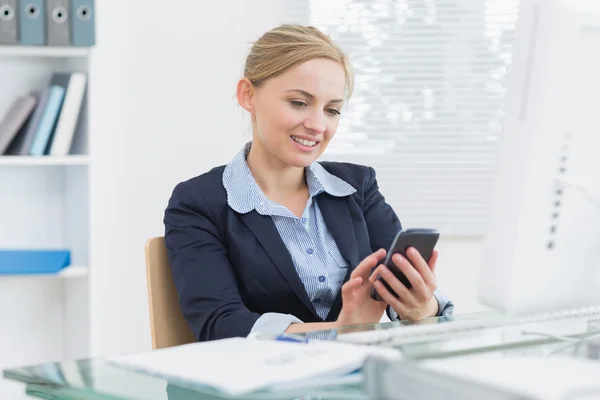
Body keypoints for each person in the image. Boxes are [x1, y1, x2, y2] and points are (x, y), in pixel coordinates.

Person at [163, 24, 454, 342]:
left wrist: (421, 308)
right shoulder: (198, 203)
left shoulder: (358, 187)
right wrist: (341, 331)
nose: (318, 125)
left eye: (332, 110)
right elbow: (219, 324)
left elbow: (404, 296)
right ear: (248, 95)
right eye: (299, 103)